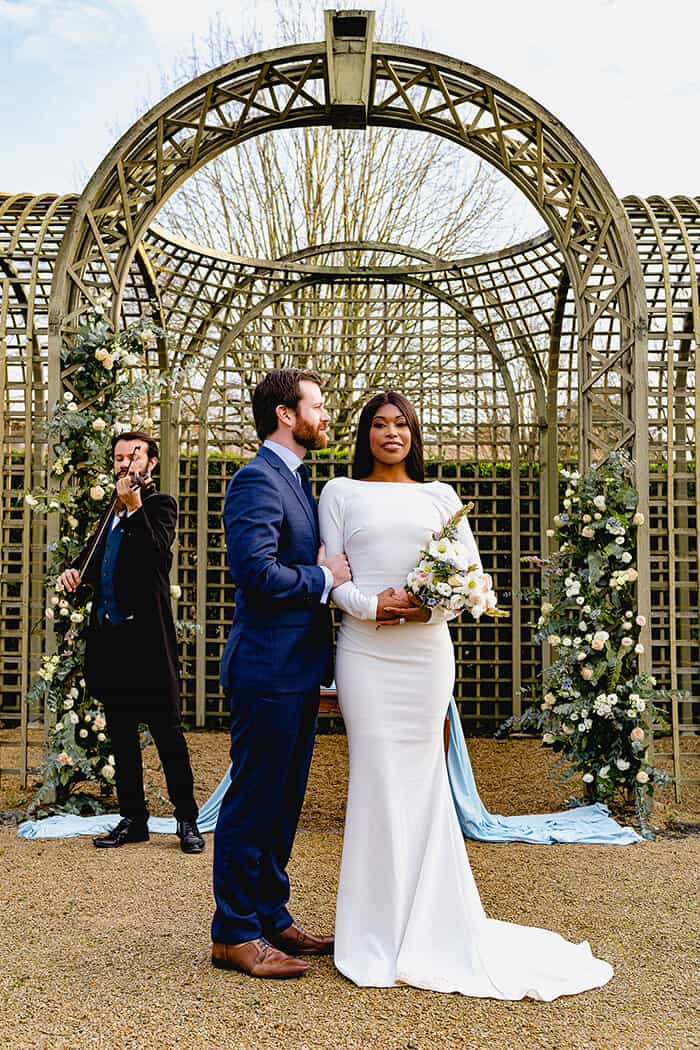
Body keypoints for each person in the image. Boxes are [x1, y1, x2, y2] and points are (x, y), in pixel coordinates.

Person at [318, 391, 614, 1000]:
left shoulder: (442, 496)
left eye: (402, 424)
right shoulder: (339, 493)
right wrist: (374, 606)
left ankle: (434, 925)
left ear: (414, 434)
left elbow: (471, 580)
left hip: (425, 656)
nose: (392, 433)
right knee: (374, 778)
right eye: (380, 424)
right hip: (366, 654)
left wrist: (427, 607)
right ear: (365, 435)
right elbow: (333, 580)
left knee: (425, 781)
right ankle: (372, 932)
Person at [211, 369, 352, 979]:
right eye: (316, 405)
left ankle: (271, 913)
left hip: (296, 671)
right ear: (286, 415)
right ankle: (234, 933)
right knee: (253, 801)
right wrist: (324, 577)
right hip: (266, 670)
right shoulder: (256, 479)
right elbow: (257, 575)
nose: (325, 415)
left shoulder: (296, 480)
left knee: (283, 801)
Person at [57, 432, 204, 855]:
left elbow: (156, 556)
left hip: (148, 644)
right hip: (111, 643)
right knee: (121, 737)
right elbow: (94, 568)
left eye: (133, 457)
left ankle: (187, 820)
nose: (124, 464)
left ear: (150, 463)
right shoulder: (109, 513)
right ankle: (134, 820)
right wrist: (73, 576)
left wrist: (135, 507)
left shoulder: (159, 506)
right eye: (119, 458)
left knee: (167, 735)